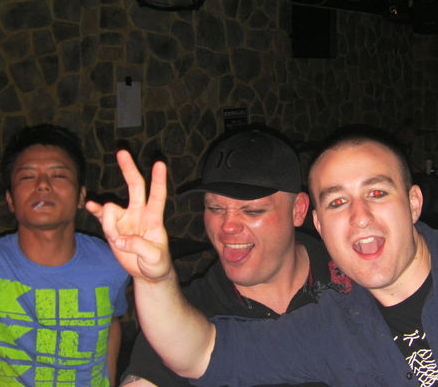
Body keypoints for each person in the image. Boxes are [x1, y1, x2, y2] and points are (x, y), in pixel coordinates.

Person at [87, 128, 438, 386]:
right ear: (318, 220)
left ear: (413, 203)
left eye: (377, 193)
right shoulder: (334, 326)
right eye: (337, 202)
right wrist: (153, 277)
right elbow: (197, 352)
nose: (358, 217)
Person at [119, 128, 338, 387]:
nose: (228, 226)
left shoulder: (351, 280)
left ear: (298, 210)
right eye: (215, 208)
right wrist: (152, 281)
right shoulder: (182, 314)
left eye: (253, 211)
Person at [0, 124, 130, 387]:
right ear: (10, 199)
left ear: (81, 196)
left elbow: (110, 321)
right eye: (27, 176)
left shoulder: (112, 261)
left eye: (58, 175)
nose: (43, 185)